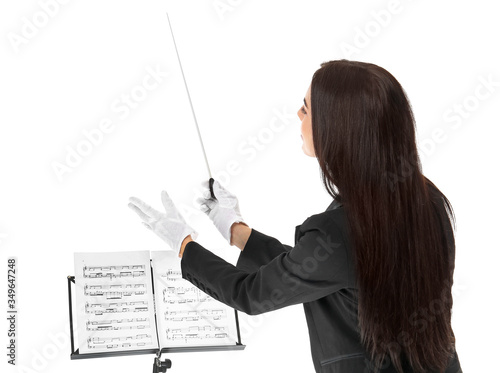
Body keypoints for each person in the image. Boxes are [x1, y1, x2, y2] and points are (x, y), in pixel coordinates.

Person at [128, 60, 462, 373]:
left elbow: (250, 294)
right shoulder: (427, 200)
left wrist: (183, 244)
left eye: (306, 109)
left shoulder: (340, 231)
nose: (297, 115)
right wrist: (237, 231)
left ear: (338, 129)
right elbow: (319, 271)